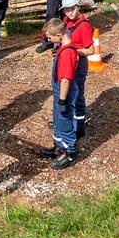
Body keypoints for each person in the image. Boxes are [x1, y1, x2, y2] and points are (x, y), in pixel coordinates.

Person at [38, 18, 79, 169]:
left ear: (59, 35)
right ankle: (59, 147)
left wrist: (62, 101)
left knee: (64, 121)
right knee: (57, 120)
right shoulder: (61, 48)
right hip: (59, 93)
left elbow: (65, 80)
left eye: (50, 37)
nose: (48, 40)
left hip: (65, 94)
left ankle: (70, 151)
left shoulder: (67, 53)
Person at [60, 0, 94, 138]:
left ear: (78, 7)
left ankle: (79, 126)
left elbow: (91, 50)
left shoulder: (84, 26)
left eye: (72, 9)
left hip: (79, 64)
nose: (69, 13)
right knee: (67, 93)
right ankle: (67, 120)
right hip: (68, 61)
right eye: (66, 10)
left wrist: (73, 51)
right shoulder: (66, 20)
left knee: (78, 94)